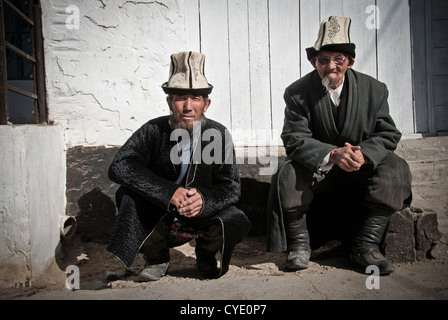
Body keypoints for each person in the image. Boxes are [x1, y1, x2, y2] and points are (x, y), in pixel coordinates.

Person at [266, 16, 412, 275]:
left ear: (350, 61)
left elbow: (388, 133)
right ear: (314, 62)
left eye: (339, 59)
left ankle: (365, 246)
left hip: (360, 170)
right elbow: (294, 138)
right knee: (287, 171)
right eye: (324, 60)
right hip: (319, 172)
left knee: (396, 167)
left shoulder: (375, 90)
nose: (331, 67)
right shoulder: (297, 92)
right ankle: (300, 246)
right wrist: (332, 153)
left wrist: (364, 154)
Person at [107, 51, 251, 281]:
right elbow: (120, 166)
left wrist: (204, 200)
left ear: (206, 104)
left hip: (201, 215)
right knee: (128, 196)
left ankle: (205, 256)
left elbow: (231, 187)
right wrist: (168, 192)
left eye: (195, 98)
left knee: (234, 218)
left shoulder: (220, 134)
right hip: (161, 215)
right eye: (180, 98)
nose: (187, 106)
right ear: (169, 102)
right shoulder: (153, 130)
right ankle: (157, 258)